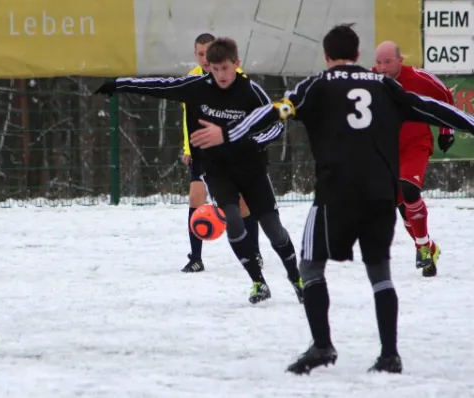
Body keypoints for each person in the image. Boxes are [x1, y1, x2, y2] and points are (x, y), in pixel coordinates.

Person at [193, 24, 474, 374]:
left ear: (326, 56)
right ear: (358, 56)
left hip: (334, 194)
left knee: (311, 267)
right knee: (380, 272)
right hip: (379, 195)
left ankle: (323, 346)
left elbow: (277, 110)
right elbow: (431, 107)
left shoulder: (317, 86)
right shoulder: (387, 85)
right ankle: (389, 354)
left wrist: (228, 131)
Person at [96, 37, 303, 304]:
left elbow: (277, 126)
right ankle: (258, 282)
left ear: (236, 64)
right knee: (233, 221)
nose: (220, 75)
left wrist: (248, 140)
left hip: (251, 169)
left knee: (273, 229)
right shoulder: (197, 87)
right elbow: (161, 86)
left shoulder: (251, 91)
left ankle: (297, 279)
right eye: (214, 70)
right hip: (217, 170)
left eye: (225, 69)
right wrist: (120, 84)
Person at [180, 33, 261, 273]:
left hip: (233, 151)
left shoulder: (237, 78)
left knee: (243, 202)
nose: (204, 58)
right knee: (196, 197)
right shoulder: (191, 80)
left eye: (208, 53)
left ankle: (253, 253)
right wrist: (188, 147)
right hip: (202, 151)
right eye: (199, 53)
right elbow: (189, 120)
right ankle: (196, 257)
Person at [374, 41, 455, 277]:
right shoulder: (372, 80)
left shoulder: (419, 78)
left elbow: (445, 95)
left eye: (388, 62)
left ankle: (422, 248)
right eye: (379, 62)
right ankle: (428, 248)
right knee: (400, 205)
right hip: (388, 150)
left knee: (409, 189)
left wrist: (446, 130)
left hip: (416, 144)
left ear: (400, 60)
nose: (383, 68)